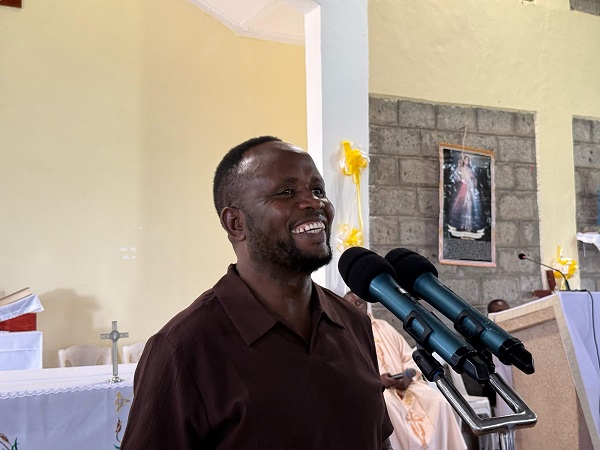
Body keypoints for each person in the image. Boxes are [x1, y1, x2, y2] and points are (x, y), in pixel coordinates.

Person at [121, 136, 393, 449]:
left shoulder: (353, 323)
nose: (314, 203)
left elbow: (379, 440)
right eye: (287, 192)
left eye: (318, 190)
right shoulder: (183, 348)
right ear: (235, 223)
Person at [344, 291, 467, 450]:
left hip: (405, 385)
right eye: (349, 304)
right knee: (387, 406)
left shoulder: (384, 326)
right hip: (378, 390)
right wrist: (378, 382)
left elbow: (410, 358)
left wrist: (408, 376)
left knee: (439, 402)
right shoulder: (345, 335)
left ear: (366, 305)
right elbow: (348, 373)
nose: (355, 306)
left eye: (359, 302)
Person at [448, 154, 482, 232]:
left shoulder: (470, 170)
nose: (466, 161)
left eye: (467, 160)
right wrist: (461, 180)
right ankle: (461, 225)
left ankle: (468, 225)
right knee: (461, 205)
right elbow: (455, 177)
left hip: (469, 189)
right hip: (462, 189)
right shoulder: (459, 168)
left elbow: (474, 180)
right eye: (465, 160)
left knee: (468, 206)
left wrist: (472, 179)